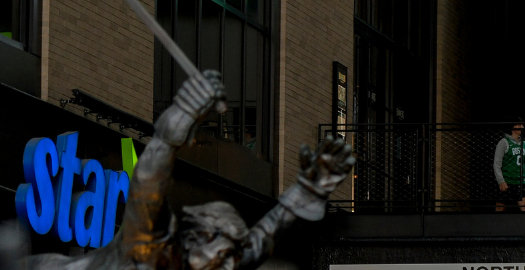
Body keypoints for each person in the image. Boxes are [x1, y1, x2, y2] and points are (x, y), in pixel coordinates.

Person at [25, 70, 353, 270]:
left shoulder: (213, 262)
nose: (231, 267)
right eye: (225, 257)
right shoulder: (147, 251)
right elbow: (147, 183)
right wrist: (172, 131)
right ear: (196, 239)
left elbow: (265, 234)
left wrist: (307, 190)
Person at [492, 123, 525, 212]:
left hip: (520, 181)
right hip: (507, 180)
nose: (522, 127)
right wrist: (501, 181)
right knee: (501, 208)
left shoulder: (524, 143)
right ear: (513, 128)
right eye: (519, 125)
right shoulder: (504, 142)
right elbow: (497, 164)